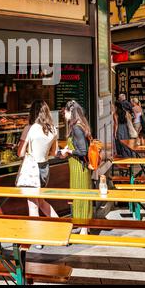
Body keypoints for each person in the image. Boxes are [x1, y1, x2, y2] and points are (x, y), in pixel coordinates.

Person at [17, 100, 59, 221]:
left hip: (32, 170)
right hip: (44, 169)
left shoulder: (29, 129)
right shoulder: (53, 129)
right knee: (40, 202)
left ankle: (35, 237)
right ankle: (61, 225)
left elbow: (20, 153)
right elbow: (54, 153)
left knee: (33, 206)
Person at [59, 100, 93, 235]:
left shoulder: (76, 128)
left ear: (70, 112)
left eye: (65, 112)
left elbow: (82, 151)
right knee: (80, 195)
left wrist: (69, 151)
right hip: (78, 167)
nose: (64, 115)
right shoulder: (80, 125)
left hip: (79, 167)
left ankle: (84, 227)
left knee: (80, 196)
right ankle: (83, 224)